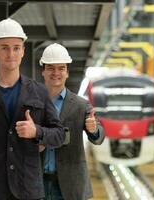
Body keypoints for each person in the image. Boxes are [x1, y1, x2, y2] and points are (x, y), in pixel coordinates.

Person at [0, 18, 65, 200]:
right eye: (5, 48)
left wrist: (37, 132)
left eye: (16, 48)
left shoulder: (39, 91)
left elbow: (59, 134)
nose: (11, 54)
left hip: (27, 188)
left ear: (23, 51)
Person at [39, 43, 105, 200]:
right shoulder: (32, 102)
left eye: (61, 68)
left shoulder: (80, 105)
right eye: (50, 68)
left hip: (70, 185)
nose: (56, 73)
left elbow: (99, 135)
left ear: (67, 73)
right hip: (37, 182)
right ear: (43, 71)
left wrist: (93, 129)